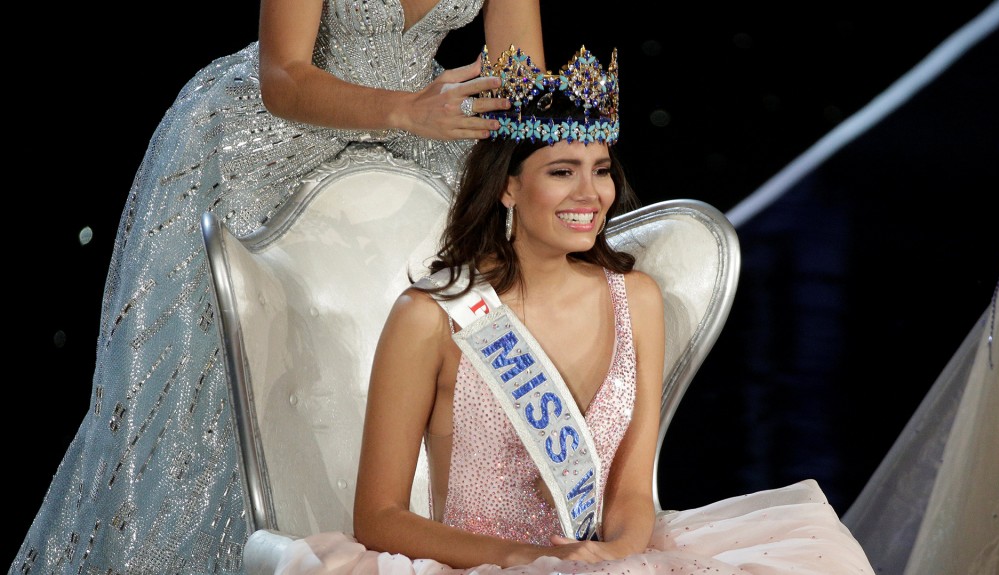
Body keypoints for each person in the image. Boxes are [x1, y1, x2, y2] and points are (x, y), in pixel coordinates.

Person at [267, 44, 877, 574]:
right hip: (483, 565)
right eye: (563, 171)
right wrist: (527, 563)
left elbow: (632, 492)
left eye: (601, 171)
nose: (592, 195)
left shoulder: (637, 300)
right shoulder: (431, 316)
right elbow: (379, 518)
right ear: (508, 186)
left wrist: (615, 560)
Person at [11, 2, 543, 573]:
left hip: (426, 132)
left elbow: (524, 79)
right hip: (277, 138)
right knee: (234, 378)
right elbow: (284, 74)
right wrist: (406, 110)